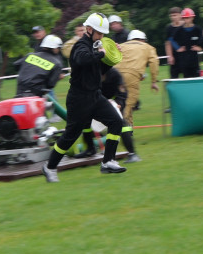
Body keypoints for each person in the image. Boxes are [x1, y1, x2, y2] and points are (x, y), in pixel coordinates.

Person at [42, 13, 127, 181]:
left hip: (95, 96)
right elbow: (82, 60)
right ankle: (50, 167)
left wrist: (110, 57)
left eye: (103, 34)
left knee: (116, 122)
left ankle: (108, 161)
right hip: (79, 99)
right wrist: (101, 54)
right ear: (89, 29)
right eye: (99, 33)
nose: (102, 37)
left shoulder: (96, 46)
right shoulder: (80, 46)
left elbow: (98, 71)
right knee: (71, 136)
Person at [116, 29, 161, 162]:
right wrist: (153, 81)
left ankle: (126, 135)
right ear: (142, 39)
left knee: (118, 106)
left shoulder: (122, 45)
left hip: (115, 76)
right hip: (132, 77)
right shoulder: (148, 47)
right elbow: (154, 63)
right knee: (127, 107)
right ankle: (129, 145)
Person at [78, 64, 129, 158]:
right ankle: (90, 149)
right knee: (85, 122)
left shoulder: (115, 74)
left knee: (121, 124)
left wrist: (119, 104)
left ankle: (132, 153)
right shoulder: (89, 75)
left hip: (114, 102)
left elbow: (122, 92)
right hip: (97, 100)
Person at [169, 8, 203, 78]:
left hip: (195, 60)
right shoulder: (179, 30)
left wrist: (200, 47)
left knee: (197, 79)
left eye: (188, 18)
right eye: (184, 18)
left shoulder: (198, 29)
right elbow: (171, 39)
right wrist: (178, 48)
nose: (186, 20)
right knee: (187, 78)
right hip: (183, 61)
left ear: (192, 17)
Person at [164, 7, 184, 79]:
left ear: (180, 15)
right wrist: (170, 56)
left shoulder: (186, 26)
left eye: (175, 15)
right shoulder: (169, 28)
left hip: (186, 56)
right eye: (171, 16)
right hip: (175, 57)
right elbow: (168, 43)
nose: (173, 17)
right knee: (174, 78)